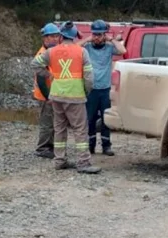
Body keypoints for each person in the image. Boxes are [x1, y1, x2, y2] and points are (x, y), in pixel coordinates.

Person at [32, 24, 100, 174]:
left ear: (61, 37)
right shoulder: (81, 52)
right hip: (75, 96)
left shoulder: (51, 52)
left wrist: (49, 75)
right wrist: (86, 91)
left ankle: (59, 160)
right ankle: (83, 162)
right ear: (75, 36)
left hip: (56, 95)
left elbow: (35, 64)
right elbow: (89, 77)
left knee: (59, 129)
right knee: (80, 129)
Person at [81, 20, 126, 155]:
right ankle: (91, 145)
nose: (97, 37)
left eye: (99, 35)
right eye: (95, 34)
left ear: (104, 35)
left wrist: (111, 39)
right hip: (91, 90)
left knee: (106, 118)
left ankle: (106, 145)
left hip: (105, 89)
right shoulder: (87, 48)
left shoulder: (108, 48)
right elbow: (75, 47)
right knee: (90, 119)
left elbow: (123, 50)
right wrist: (88, 38)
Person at [33, 23, 62, 158]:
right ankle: (43, 148)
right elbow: (40, 79)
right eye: (52, 36)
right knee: (47, 123)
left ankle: (50, 146)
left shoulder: (51, 52)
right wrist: (48, 97)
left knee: (52, 121)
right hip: (45, 95)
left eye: (57, 36)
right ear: (45, 38)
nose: (55, 39)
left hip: (51, 93)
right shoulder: (43, 54)